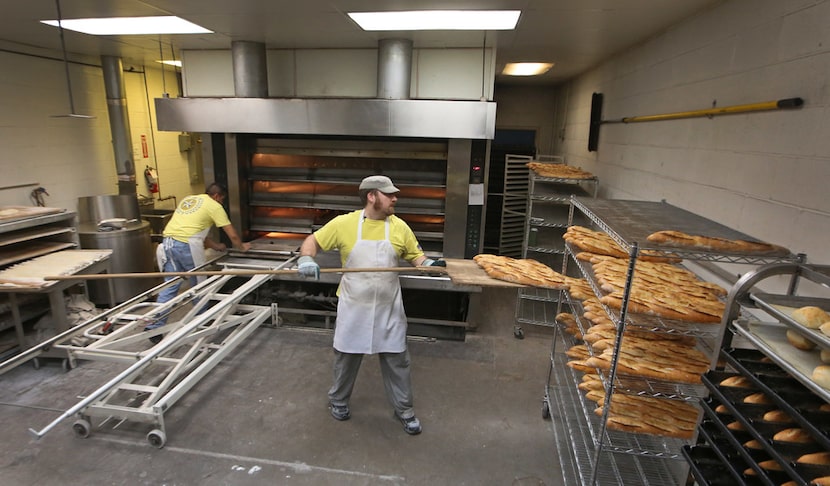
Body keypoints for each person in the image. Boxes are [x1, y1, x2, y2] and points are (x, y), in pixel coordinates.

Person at [297, 175, 446, 435]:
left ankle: (405, 410)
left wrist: (430, 266)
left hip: (388, 307)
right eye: (389, 194)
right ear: (371, 196)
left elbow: (417, 257)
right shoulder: (345, 224)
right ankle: (339, 401)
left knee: (398, 361)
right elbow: (313, 242)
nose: (394, 198)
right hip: (355, 306)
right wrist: (306, 260)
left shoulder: (399, 226)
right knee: (346, 358)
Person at [145, 182, 251, 338]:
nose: (221, 202)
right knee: (200, 285)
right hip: (186, 246)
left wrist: (216, 246)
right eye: (222, 199)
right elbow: (232, 234)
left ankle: (154, 326)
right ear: (217, 196)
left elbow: (196, 231)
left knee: (170, 286)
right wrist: (242, 247)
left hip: (167, 244)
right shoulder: (214, 206)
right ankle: (200, 322)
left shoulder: (189, 200)